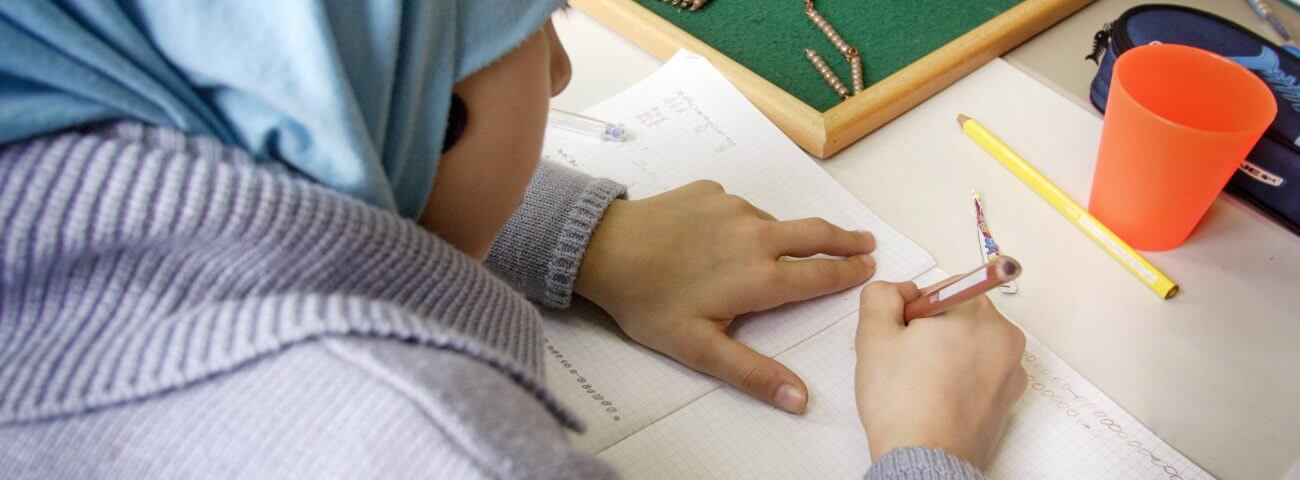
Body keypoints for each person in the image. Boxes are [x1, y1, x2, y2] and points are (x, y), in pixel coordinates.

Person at [0, 1, 1027, 479]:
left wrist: (565, 232)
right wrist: (928, 447)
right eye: (529, 22)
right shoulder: (434, 452)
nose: (562, 74)